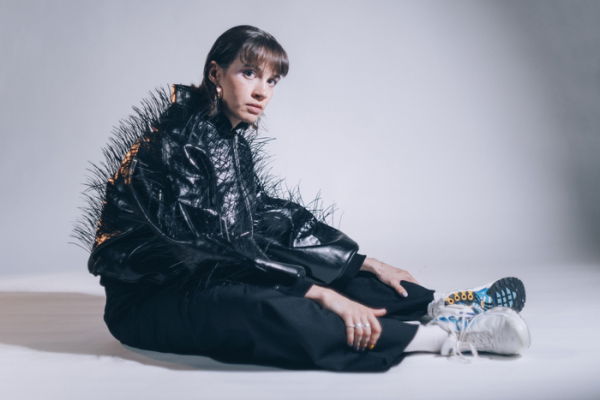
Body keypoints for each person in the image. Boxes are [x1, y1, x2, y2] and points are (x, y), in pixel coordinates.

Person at [71, 25, 531, 372]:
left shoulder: (227, 140)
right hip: (150, 299)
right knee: (265, 305)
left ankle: (440, 305)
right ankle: (446, 337)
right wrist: (318, 294)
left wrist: (359, 262)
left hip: (208, 271)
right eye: (249, 73)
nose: (261, 91)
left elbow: (270, 219)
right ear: (216, 74)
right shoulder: (177, 140)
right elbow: (207, 245)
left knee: (317, 270)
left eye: (272, 81)